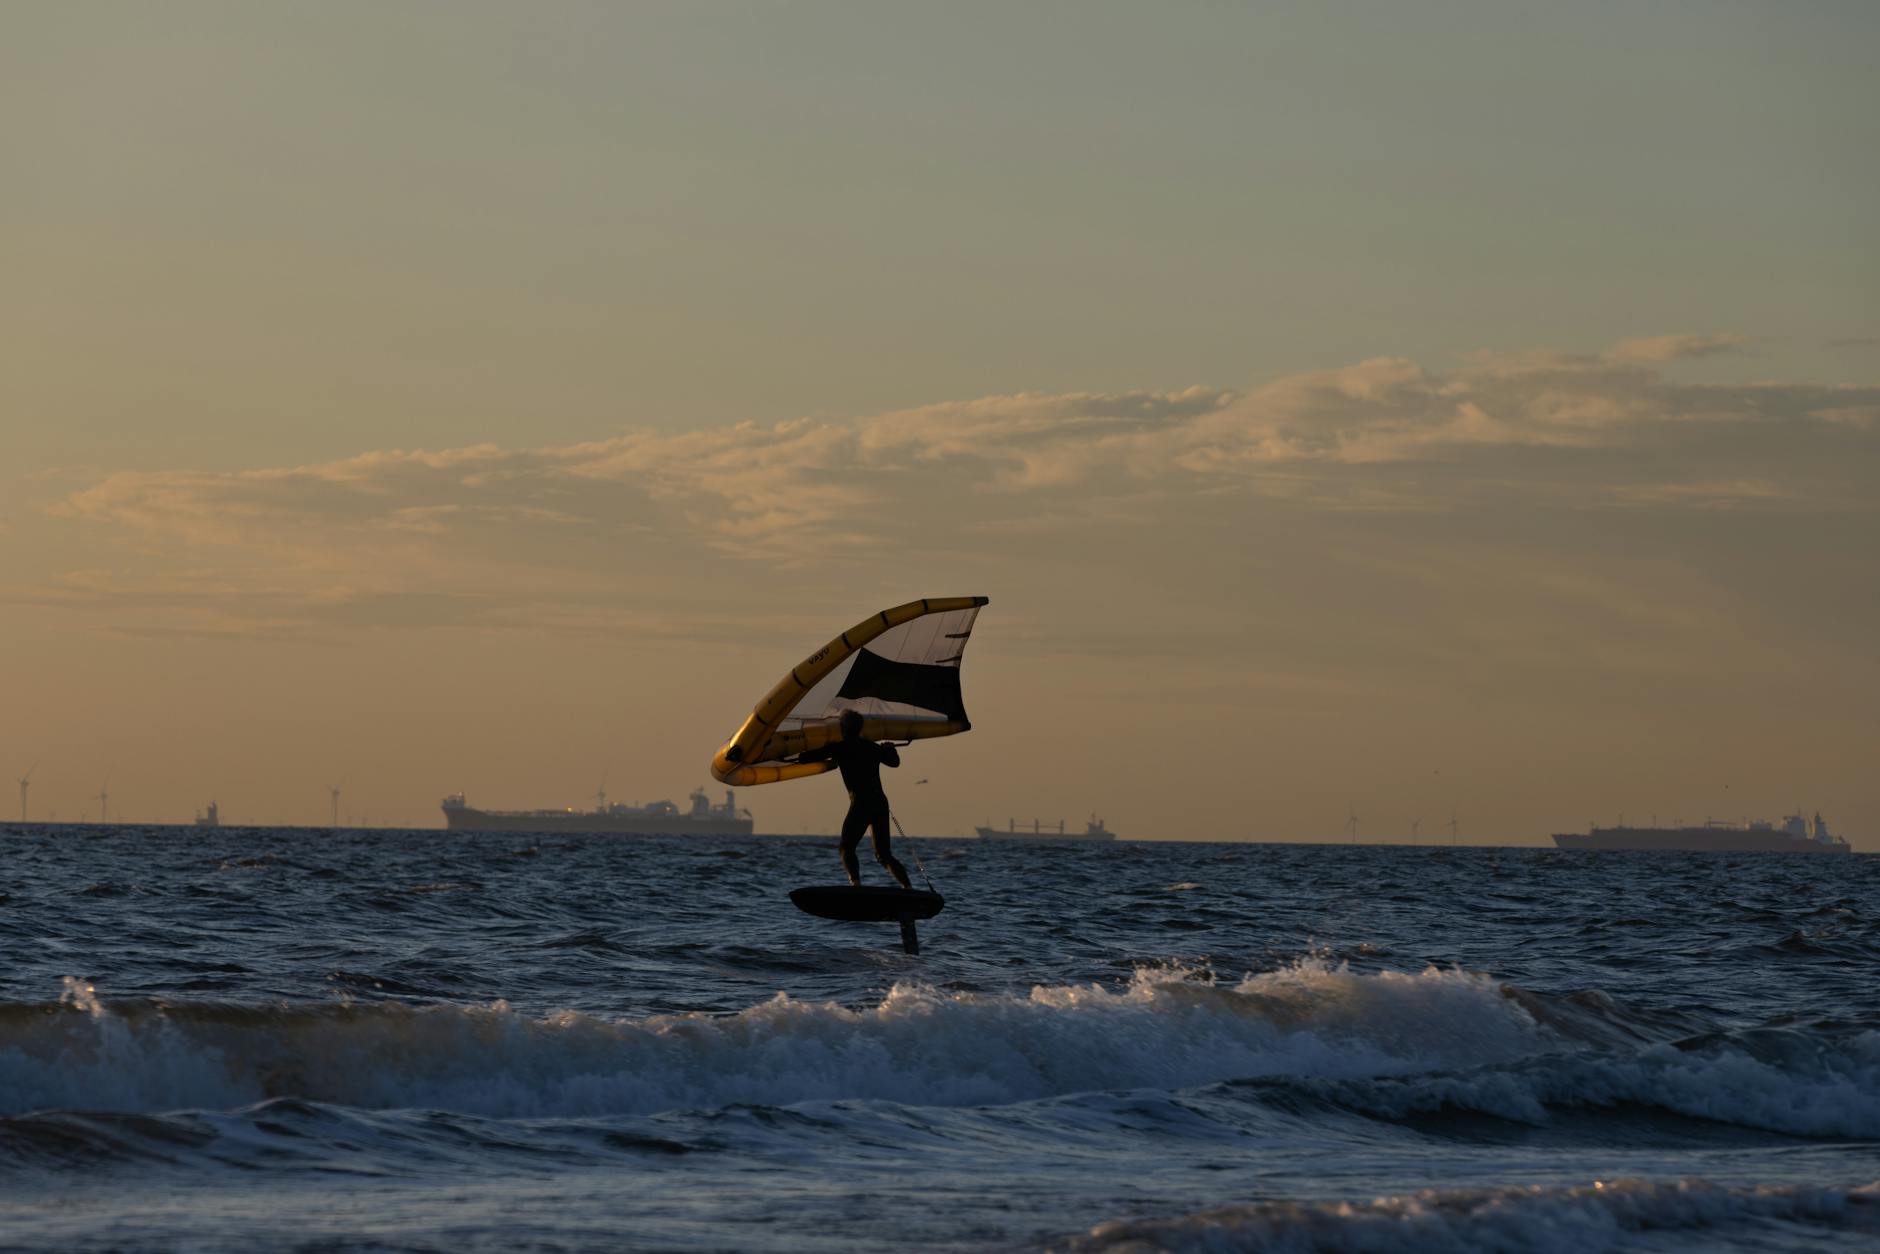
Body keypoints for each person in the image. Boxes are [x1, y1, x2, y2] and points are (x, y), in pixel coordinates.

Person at [798, 709, 913, 890]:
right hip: (880, 804)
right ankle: (907, 888)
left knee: (846, 848)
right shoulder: (871, 747)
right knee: (884, 855)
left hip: (861, 805)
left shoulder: (839, 748)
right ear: (860, 728)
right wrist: (890, 749)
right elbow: (894, 762)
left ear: (842, 728)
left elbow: (805, 758)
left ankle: (856, 885)